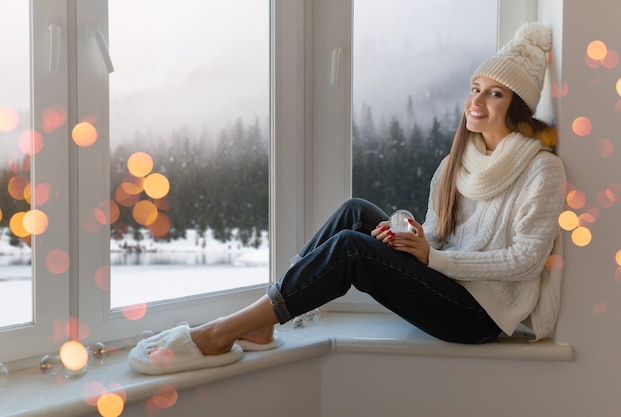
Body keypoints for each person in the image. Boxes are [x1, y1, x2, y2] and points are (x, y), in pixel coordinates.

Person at [128, 22, 566, 375]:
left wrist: (434, 260)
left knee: (352, 251)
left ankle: (223, 332)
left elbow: (524, 260)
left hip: (476, 315)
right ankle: (263, 322)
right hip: (447, 282)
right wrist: (417, 238)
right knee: (355, 212)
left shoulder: (541, 169)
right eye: (476, 87)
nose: (478, 101)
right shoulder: (458, 160)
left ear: (518, 106)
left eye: (495, 93)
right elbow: (439, 234)